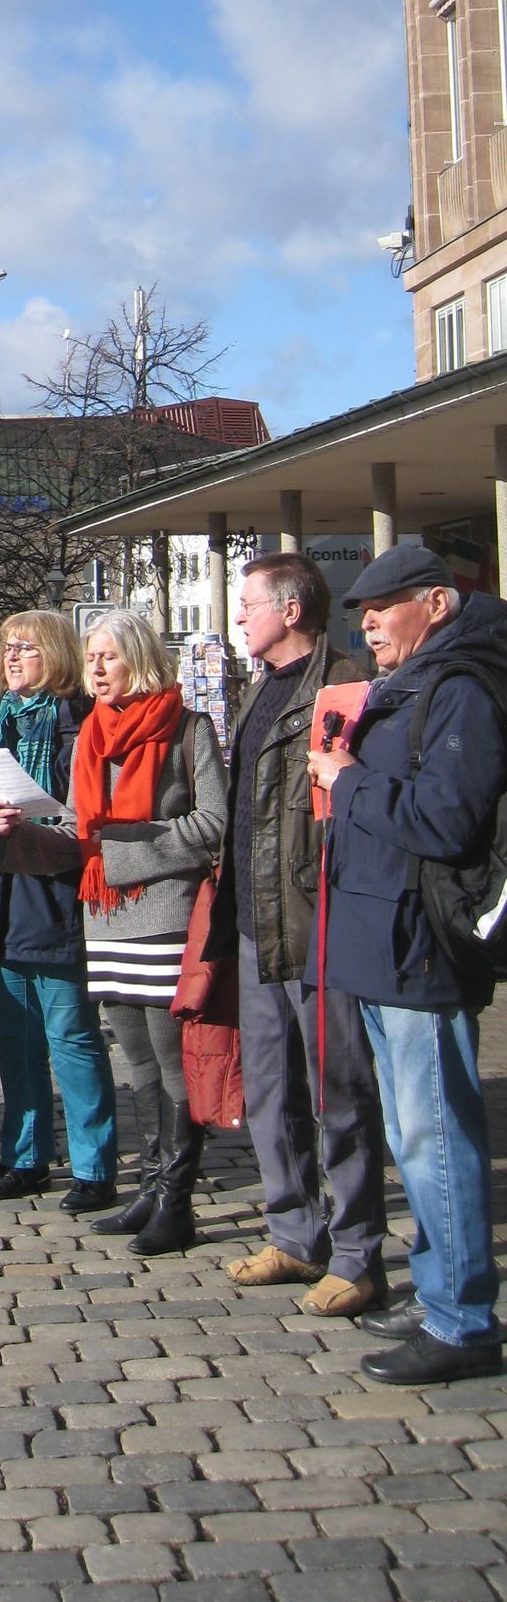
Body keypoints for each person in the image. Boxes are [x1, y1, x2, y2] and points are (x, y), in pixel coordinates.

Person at [309, 542, 507, 1385]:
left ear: (434, 603)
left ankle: (463, 1321)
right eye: (361, 610)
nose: (368, 624)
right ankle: (438, 1294)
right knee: (411, 1134)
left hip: (420, 945)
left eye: (382, 607)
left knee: (434, 1139)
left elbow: (447, 821)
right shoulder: (412, 683)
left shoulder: (461, 687)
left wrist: (348, 781)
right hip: (381, 940)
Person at [205, 554, 387, 1319]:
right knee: (273, 1092)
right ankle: (294, 1233)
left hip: (318, 925)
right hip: (256, 925)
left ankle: (357, 1254)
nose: (238, 616)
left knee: (340, 1093)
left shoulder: (345, 686)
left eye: (248, 603)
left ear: (289, 609)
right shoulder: (258, 690)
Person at [57, 610, 225, 1258]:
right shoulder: (91, 732)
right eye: (91, 657)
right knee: (137, 1061)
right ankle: (151, 1188)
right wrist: (29, 827)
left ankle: (177, 1201)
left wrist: (125, 846)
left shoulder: (188, 727)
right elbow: (78, 822)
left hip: (165, 915)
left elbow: (214, 823)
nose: (96, 669)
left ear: (139, 658)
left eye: (109, 656)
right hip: (104, 915)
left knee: (172, 1060)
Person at [0, 611, 118, 1214]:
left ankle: (94, 1167)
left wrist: (33, 820)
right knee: (15, 1039)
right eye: (6, 645)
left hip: (57, 896)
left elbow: (90, 815)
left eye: (25, 647)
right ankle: (24, 1156)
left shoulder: (79, 725)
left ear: (54, 654)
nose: (11, 656)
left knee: (72, 1038)